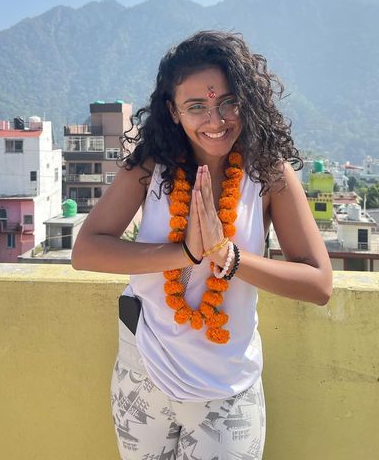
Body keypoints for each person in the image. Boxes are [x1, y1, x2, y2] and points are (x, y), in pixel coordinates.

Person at [72, 30, 333, 460]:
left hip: (227, 386)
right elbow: (85, 251)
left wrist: (228, 256)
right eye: (197, 106)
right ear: (173, 112)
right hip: (144, 372)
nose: (216, 120)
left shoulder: (269, 174)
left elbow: (319, 285)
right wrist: (186, 253)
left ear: (247, 101)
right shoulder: (149, 169)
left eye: (228, 102)